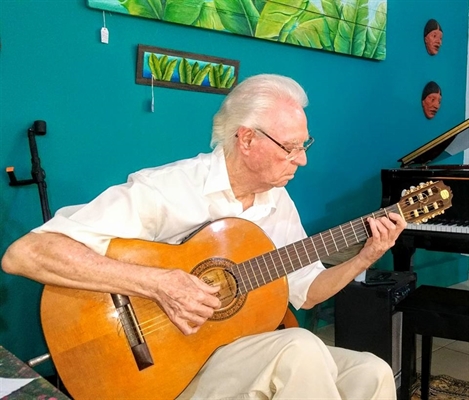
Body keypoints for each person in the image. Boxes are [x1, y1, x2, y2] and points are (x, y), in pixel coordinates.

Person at [2, 74, 406, 399]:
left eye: (304, 145)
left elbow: (306, 292)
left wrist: (364, 256)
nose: (301, 159)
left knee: (372, 372)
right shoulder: (169, 188)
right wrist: (159, 283)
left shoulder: (276, 202)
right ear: (246, 139)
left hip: (231, 353)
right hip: (162, 370)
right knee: (298, 348)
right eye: (291, 147)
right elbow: (26, 253)